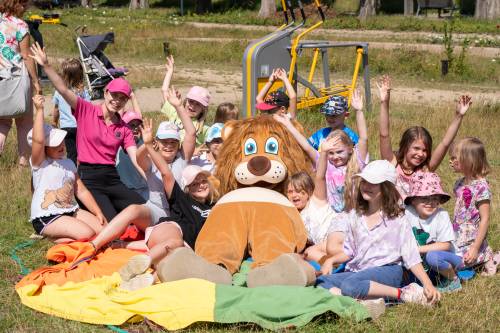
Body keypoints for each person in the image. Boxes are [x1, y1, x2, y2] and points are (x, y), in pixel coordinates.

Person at [30, 43, 146, 221]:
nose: (117, 101)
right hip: (89, 177)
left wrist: (150, 177)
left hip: (112, 177)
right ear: (106, 93)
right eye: (114, 95)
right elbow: (62, 89)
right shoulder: (86, 110)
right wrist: (46, 65)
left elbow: (135, 158)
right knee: (113, 222)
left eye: (122, 99)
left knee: (144, 211)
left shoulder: (124, 128)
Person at [108, 119, 218, 290]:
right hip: (170, 228)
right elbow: (166, 173)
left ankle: (150, 278)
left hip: (187, 246)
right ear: (186, 188)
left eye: (203, 181)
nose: (200, 185)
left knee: (180, 255)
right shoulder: (183, 199)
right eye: (194, 183)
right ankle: (145, 262)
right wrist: (149, 145)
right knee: (175, 242)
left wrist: (125, 245)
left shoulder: (215, 206)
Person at [317, 160, 441, 306]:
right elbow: (350, 252)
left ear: (386, 188)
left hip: (390, 270)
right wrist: (330, 260)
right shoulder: (354, 216)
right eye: (364, 181)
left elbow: (411, 255)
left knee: (350, 285)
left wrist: (427, 283)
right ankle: (362, 301)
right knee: (321, 282)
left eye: (373, 183)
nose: (366, 186)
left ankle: (405, 293)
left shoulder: (397, 219)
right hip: (360, 272)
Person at [377, 75, 472, 200]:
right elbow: (384, 134)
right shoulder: (392, 163)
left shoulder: (425, 169)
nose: (421, 154)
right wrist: (384, 102)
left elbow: (445, 143)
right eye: (416, 148)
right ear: (405, 147)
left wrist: (459, 116)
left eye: (425, 150)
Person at [275, 89, 368, 213]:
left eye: (339, 152)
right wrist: (288, 125)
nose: (335, 156)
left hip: (354, 212)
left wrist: (359, 111)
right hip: (330, 214)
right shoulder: (327, 163)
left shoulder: (355, 161)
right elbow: (306, 146)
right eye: (331, 152)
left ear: (351, 150)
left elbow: (364, 138)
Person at [28, 95, 106, 242]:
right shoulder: (40, 163)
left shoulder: (69, 163)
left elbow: (81, 191)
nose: (61, 146)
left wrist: (98, 212)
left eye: (61, 142)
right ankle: (51, 238)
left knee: (105, 230)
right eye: (54, 144)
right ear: (44, 148)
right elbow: (38, 140)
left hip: (70, 210)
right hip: (48, 216)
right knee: (86, 235)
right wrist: (39, 110)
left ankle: (69, 234)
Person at [404, 172, 462, 292]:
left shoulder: (441, 215)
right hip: (426, 265)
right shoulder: (408, 213)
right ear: (413, 200)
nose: (430, 202)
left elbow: (446, 245)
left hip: (449, 259)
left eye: (434, 198)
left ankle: (453, 279)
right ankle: (434, 280)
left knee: (432, 256)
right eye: (424, 198)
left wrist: (417, 249)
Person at [285, 139, 339, 267]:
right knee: (307, 253)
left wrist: (324, 153)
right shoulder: (295, 216)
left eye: (299, 191)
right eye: (290, 192)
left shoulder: (316, 201)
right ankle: (334, 266)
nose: (294, 195)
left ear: (309, 192)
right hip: (325, 246)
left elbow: (320, 176)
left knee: (310, 253)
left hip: (339, 234)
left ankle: (333, 265)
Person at [0, 0, 41, 166]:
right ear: (17, 4)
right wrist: (36, 81)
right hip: (18, 78)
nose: (26, 8)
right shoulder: (20, 25)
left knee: (2, 122)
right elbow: (26, 56)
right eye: (25, 4)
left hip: (1, 77)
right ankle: (23, 164)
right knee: (24, 122)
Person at [449, 137, 496, 275]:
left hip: (473, 240)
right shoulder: (459, 183)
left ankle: (488, 256)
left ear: (468, 160)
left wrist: (475, 247)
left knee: (454, 265)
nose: (451, 161)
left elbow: (485, 219)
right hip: (459, 236)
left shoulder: (481, 187)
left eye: (454, 157)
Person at [160, 55, 210, 146]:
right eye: (191, 101)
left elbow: (212, 146)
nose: (192, 106)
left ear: (203, 109)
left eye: (198, 104)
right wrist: (170, 72)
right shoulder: (175, 113)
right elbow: (164, 91)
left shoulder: (202, 127)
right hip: (170, 152)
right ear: (186, 101)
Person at [51, 58, 90, 165]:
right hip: (81, 127)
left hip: (66, 127)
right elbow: (88, 109)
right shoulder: (83, 92)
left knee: (71, 153)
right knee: (83, 152)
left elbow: (56, 109)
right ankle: (82, 172)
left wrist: (54, 122)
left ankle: (72, 173)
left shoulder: (59, 91)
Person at [116, 111, 149, 200]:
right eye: (131, 125)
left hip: (145, 189)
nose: (135, 128)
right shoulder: (116, 146)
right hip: (124, 190)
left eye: (138, 125)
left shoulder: (146, 145)